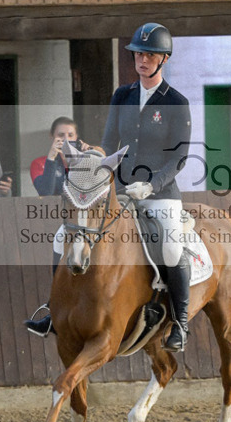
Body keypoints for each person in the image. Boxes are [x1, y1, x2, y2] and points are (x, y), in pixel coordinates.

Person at [26, 23, 192, 349]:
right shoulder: (122, 95)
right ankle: (54, 310)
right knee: (64, 235)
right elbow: (107, 145)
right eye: (138, 54)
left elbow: (180, 158)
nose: (142, 60)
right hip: (118, 191)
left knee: (172, 247)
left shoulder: (176, 102)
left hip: (160, 194)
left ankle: (181, 323)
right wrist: (91, 161)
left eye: (150, 55)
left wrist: (151, 184)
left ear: (164, 59)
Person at [30, 116, 90, 197]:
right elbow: (45, 193)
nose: (66, 139)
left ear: (76, 137)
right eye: (61, 135)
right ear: (51, 136)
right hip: (53, 209)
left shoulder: (82, 159)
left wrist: (87, 160)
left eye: (70, 135)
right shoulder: (39, 163)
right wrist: (51, 159)